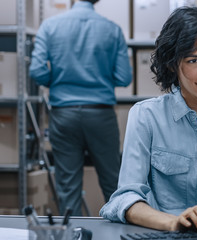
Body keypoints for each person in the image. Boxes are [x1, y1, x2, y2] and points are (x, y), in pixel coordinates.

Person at [100, 7, 197, 231]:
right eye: (194, 61)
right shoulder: (146, 116)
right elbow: (125, 198)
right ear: (171, 63)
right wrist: (173, 222)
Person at [29, 0, 132, 216]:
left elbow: (37, 71)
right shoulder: (112, 29)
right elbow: (124, 78)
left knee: (67, 188)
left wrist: (57, 82)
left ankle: (73, 236)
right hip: (101, 113)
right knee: (114, 184)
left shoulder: (50, 26)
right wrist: (100, 78)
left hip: (63, 113)